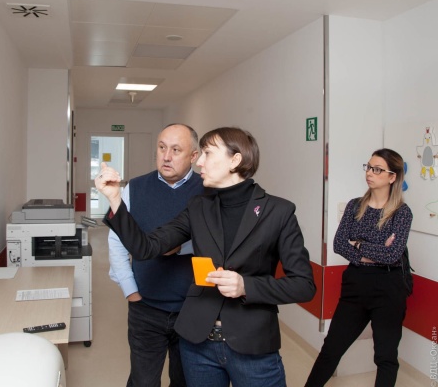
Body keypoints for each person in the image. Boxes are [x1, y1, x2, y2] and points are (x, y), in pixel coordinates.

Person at [96, 126, 316, 387]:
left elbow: (304, 285)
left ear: (235, 160)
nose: (199, 161)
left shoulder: (278, 211)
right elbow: (146, 247)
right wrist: (115, 200)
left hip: (252, 344)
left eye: (208, 154)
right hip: (198, 345)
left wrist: (246, 286)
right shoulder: (199, 207)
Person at [305, 148, 412, 387]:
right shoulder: (355, 206)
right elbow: (339, 244)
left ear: (392, 177)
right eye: (369, 167)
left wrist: (359, 244)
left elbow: (392, 255)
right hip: (356, 284)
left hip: (389, 288)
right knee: (331, 349)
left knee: (385, 356)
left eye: (377, 169)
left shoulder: (401, 213)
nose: (370, 173)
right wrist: (373, 252)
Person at [108, 123, 204, 387]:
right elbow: (117, 241)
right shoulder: (135, 188)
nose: (166, 156)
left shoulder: (208, 190)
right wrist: (131, 291)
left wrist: (180, 247)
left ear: (194, 156)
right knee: (143, 381)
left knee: (185, 380)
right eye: (162, 148)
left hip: (193, 308)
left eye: (176, 150)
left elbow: (219, 243)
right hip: (146, 307)